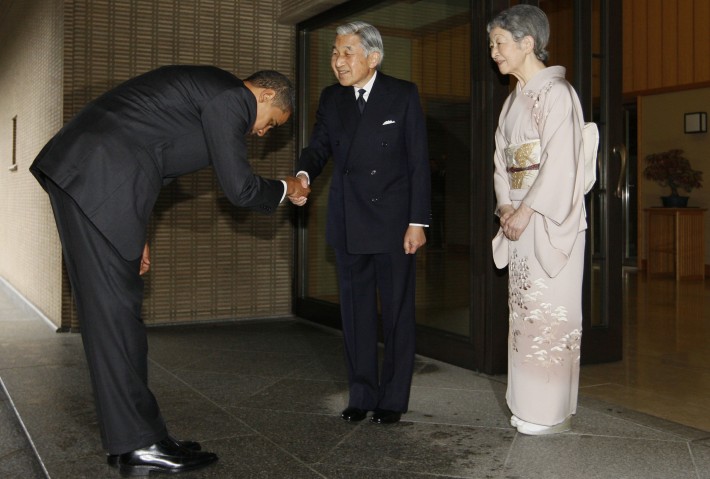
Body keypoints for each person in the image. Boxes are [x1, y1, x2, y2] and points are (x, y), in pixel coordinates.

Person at [30, 65, 310, 475]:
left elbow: (151, 155)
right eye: (271, 124)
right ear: (266, 96)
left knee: (114, 315)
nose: (263, 133)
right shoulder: (231, 98)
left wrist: (135, 227)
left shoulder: (211, 95)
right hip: (97, 178)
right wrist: (288, 187)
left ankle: (138, 439)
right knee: (115, 318)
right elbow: (240, 188)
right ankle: (138, 444)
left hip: (102, 183)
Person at [292, 21, 431, 425]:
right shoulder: (331, 99)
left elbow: (418, 163)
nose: (338, 62)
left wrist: (417, 222)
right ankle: (361, 393)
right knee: (355, 315)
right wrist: (302, 175)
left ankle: (392, 398)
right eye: (335, 53)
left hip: (394, 224)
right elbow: (317, 147)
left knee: (397, 313)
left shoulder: (402, 94)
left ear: (374, 56)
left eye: (347, 53)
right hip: (349, 219)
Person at [488, 5, 587, 435]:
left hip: (546, 221)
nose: (493, 52)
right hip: (521, 221)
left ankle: (547, 412)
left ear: (527, 43)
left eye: (500, 43)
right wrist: (506, 206)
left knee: (550, 313)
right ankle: (528, 402)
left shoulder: (557, 93)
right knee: (524, 315)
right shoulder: (513, 100)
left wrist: (526, 209)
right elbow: (501, 162)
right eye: (492, 44)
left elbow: (562, 162)